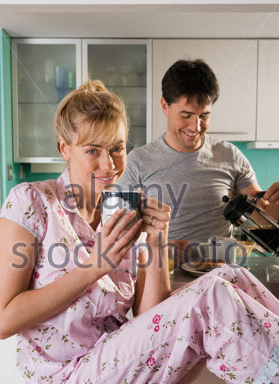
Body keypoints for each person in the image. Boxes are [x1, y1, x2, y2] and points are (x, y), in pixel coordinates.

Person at [0, 80, 279, 384]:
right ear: (65, 147)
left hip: (120, 372)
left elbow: (149, 316)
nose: (109, 165)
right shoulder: (31, 201)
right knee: (211, 298)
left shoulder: (122, 212)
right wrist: (96, 265)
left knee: (230, 277)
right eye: (92, 150)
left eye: (118, 149)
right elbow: (2, 320)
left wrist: (155, 238)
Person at [118, 59, 279, 256]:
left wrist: (275, 204)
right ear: (164, 106)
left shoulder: (230, 156)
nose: (196, 127)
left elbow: (261, 219)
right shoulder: (137, 162)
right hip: (162, 276)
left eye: (204, 116)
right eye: (186, 115)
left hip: (219, 275)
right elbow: (119, 231)